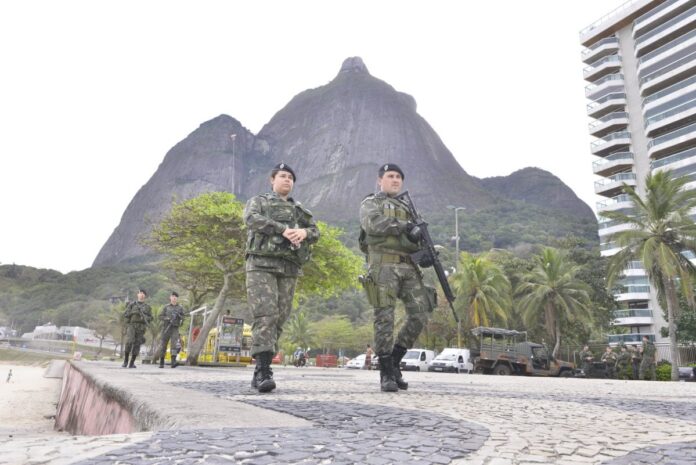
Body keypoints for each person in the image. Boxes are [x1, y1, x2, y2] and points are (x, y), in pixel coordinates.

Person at [359, 163, 437, 392]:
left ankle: (394, 361)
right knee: (384, 317)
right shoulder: (371, 202)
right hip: (383, 265)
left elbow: (420, 237)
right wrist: (406, 227)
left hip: (409, 267)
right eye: (390, 176)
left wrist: (427, 254)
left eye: (398, 177)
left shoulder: (409, 209)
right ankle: (385, 372)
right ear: (379, 180)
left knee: (420, 313)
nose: (395, 180)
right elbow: (372, 224)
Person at [244, 163, 319, 392]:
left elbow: (315, 231)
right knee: (265, 314)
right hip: (261, 264)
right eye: (283, 176)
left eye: (291, 178)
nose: (287, 180)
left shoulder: (299, 210)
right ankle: (264, 369)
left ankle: (261, 367)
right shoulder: (259, 201)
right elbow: (251, 219)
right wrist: (281, 229)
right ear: (272, 179)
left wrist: (304, 232)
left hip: (289, 267)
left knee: (280, 317)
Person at [122, 289, 153, 368]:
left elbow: (151, 317)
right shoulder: (132, 304)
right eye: (140, 293)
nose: (141, 295)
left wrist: (145, 317)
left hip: (141, 327)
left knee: (137, 344)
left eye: (143, 293)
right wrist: (134, 312)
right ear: (137, 295)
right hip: (132, 325)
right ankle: (125, 361)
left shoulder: (147, 307)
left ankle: (132, 362)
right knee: (129, 341)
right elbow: (126, 314)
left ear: (145, 296)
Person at [155, 292, 186, 369]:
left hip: (175, 328)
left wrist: (179, 316)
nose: (174, 298)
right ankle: (161, 362)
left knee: (174, 345)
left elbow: (183, 317)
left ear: (177, 298)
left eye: (176, 296)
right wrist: (168, 319)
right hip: (166, 328)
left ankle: (173, 361)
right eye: (173, 296)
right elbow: (160, 316)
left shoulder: (180, 308)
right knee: (163, 345)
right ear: (170, 297)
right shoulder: (166, 307)